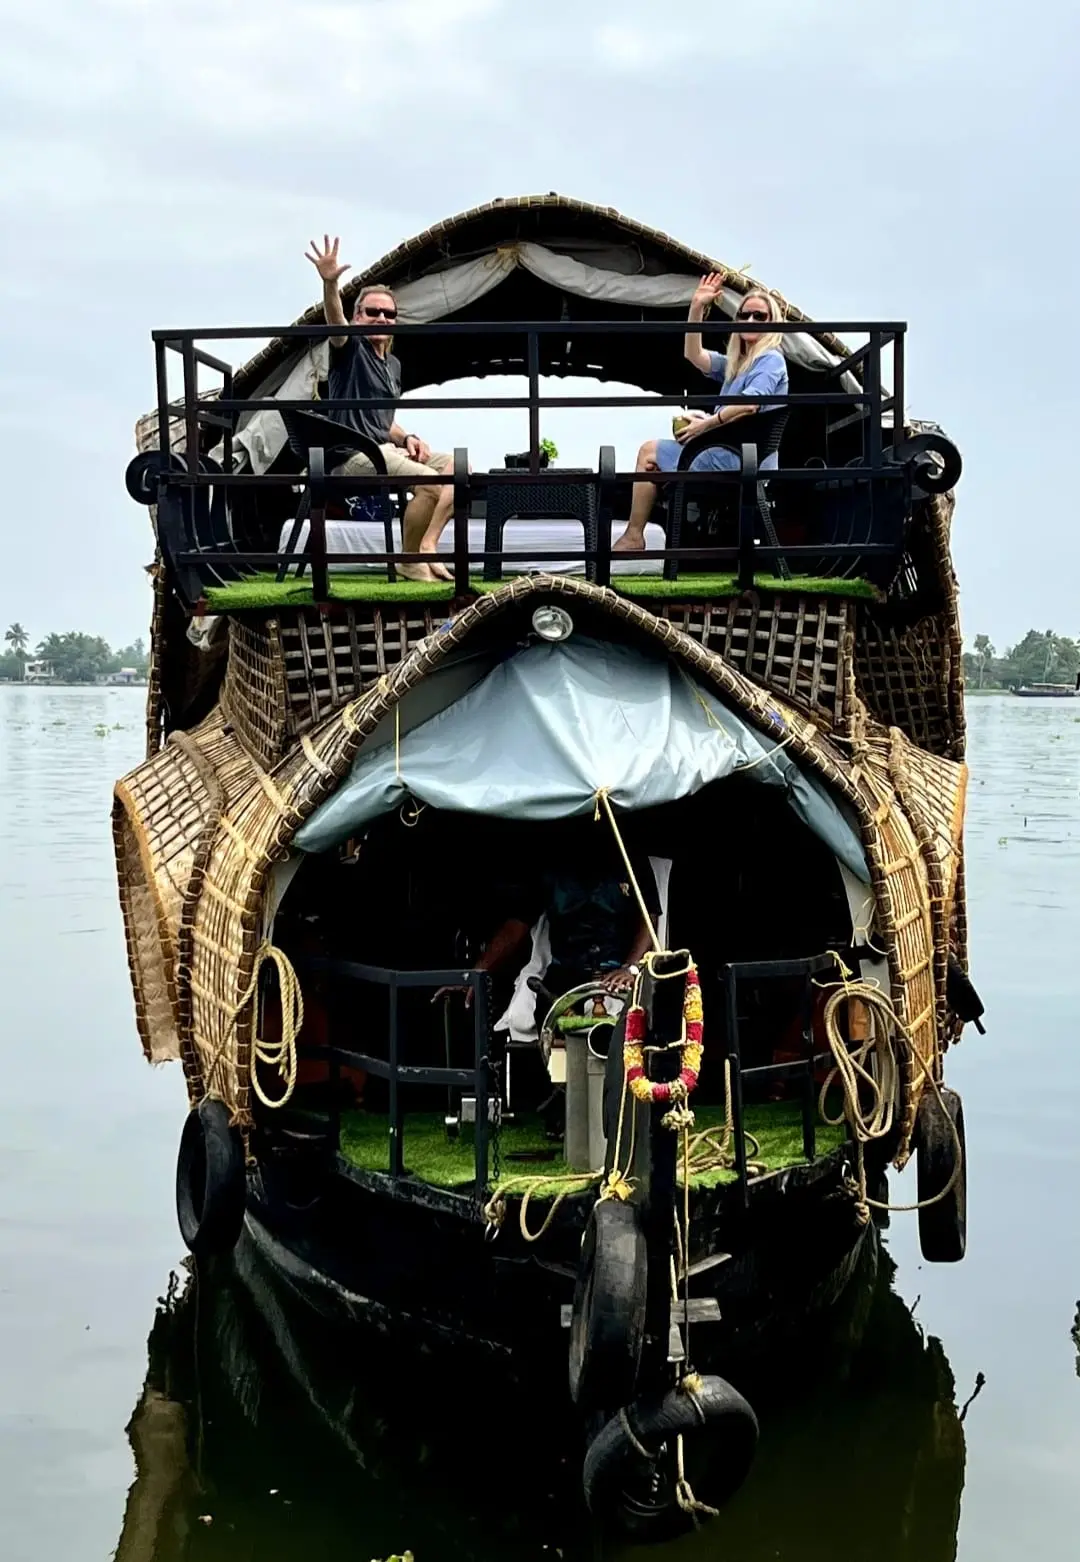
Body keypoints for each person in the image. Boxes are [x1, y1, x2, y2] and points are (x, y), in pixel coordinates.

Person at [305, 235, 455, 582]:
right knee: (431, 484)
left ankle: (427, 546)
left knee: (456, 468)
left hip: (383, 448)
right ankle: (407, 560)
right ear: (359, 317)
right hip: (351, 455)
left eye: (389, 314)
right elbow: (335, 323)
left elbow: (384, 421)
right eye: (373, 312)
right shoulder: (350, 348)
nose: (382, 319)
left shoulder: (393, 366)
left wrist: (409, 438)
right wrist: (330, 284)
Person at [613, 274, 789, 553]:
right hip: (728, 449)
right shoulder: (738, 363)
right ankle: (637, 536)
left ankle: (635, 536)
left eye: (760, 316)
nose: (751, 321)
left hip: (740, 458)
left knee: (649, 452)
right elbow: (694, 355)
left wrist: (706, 424)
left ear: (772, 323)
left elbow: (750, 404)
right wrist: (696, 306)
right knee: (652, 461)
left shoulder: (770, 359)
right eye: (745, 316)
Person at [435, 831, 660, 1024]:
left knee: (628, 1023)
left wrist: (631, 967)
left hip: (616, 970)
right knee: (551, 1018)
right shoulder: (549, 862)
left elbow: (648, 916)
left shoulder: (628, 854)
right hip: (565, 973)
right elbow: (517, 925)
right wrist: (476, 972)